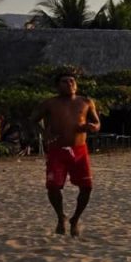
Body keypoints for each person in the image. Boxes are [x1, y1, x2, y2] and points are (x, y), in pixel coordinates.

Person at [33, 72, 100, 237]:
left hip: (80, 150)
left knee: (87, 187)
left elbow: (97, 122)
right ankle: (60, 216)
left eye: (72, 81)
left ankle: (75, 219)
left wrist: (92, 127)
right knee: (53, 187)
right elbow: (32, 121)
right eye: (65, 81)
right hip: (57, 150)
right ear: (57, 86)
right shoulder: (50, 103)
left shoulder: (86, 102)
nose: (70, 83)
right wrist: (44, 133)